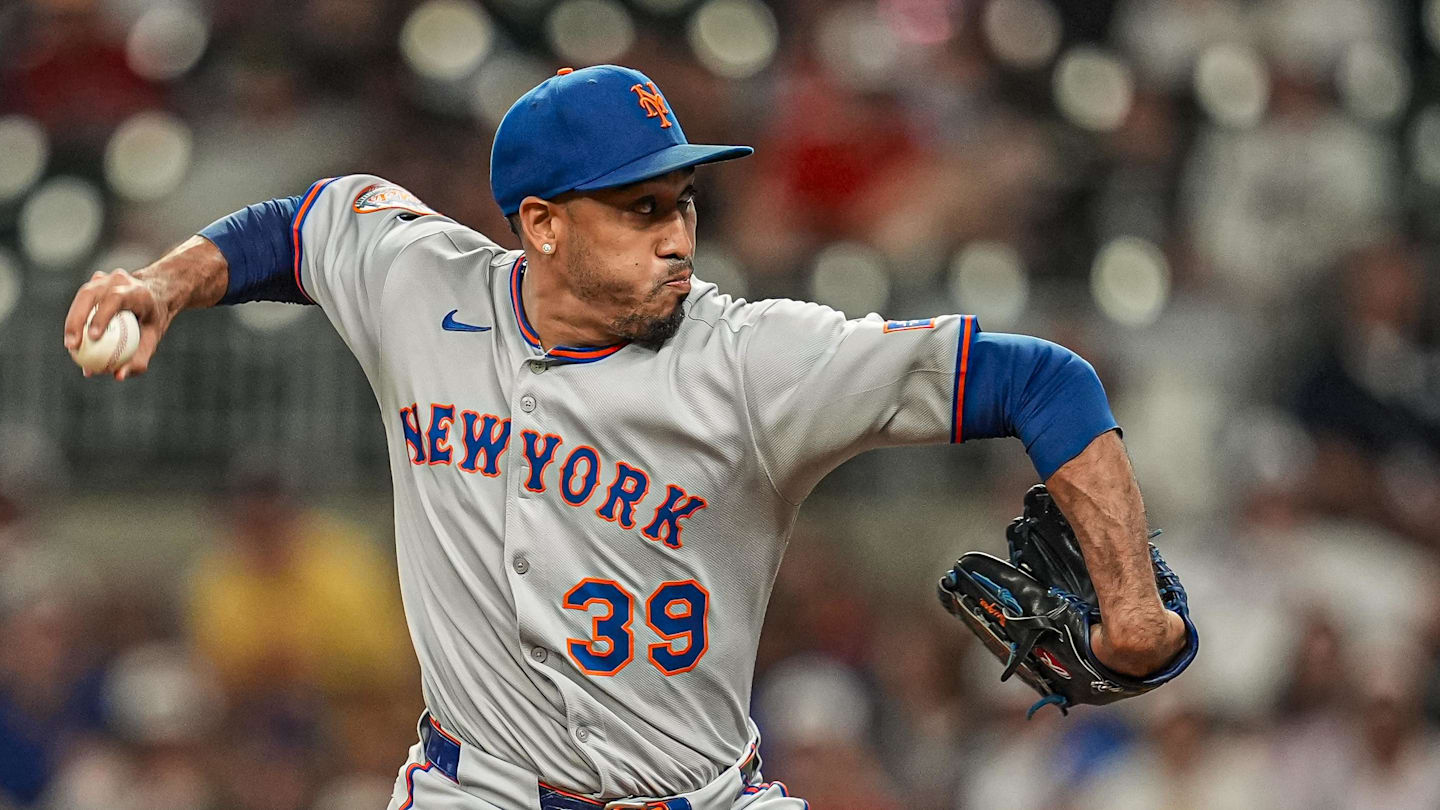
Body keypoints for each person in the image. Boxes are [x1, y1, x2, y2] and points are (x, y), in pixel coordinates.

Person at [63, 65, 1187, 809]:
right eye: (640, 208)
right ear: (541, 225)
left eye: (684, 202)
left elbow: (1044, 380)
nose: (678, 237)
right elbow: (293, 231)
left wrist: (1130, 609)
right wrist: (165, 286)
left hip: (700, 792)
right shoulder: (420, 284)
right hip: (477, 788)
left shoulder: (756, 361)